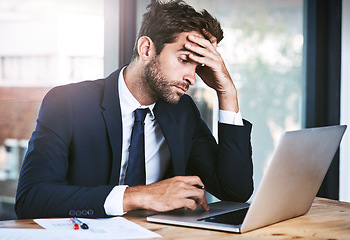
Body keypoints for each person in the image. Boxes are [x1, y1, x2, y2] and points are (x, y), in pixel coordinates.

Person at [15, 0, 253, 219]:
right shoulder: (68, 103)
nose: (192, 77)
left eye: (198, 66)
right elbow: (31, 198)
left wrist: (227, 92)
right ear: (146, 49)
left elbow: (234, 190)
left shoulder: (182, 112)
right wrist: (139, 196)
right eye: (184, 60)